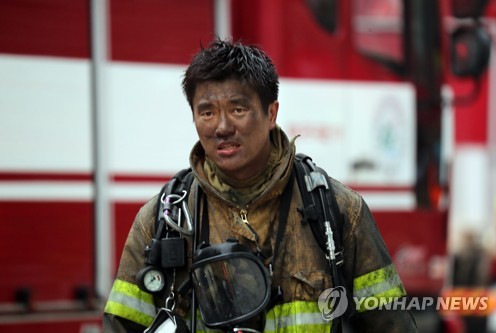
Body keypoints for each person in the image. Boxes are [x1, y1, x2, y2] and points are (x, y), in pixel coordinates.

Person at [103, 38, 418, 332]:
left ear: (271, 113)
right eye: (207, 112)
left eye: (238, 109)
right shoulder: (163, 220)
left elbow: (391, 322)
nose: (222, 127)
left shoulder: (337, 212)